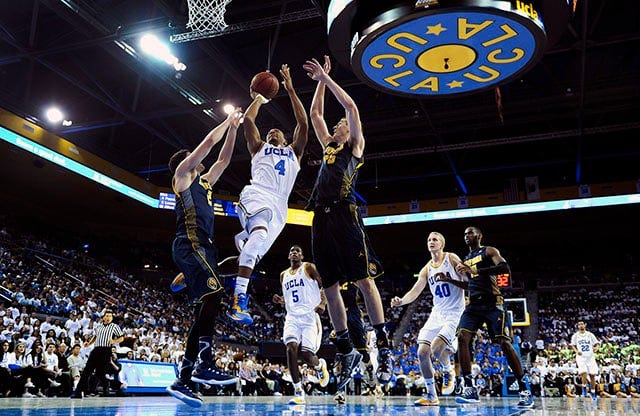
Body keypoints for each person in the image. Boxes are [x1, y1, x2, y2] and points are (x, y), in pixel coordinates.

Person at [302, 55, 392, 391]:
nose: (339, 123)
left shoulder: (354, 147)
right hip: (319, 217)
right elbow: (315, 115)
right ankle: (344, 348)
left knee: (364, 281)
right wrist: (318, 87)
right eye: (337, 122)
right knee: (329, 287)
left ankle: (384, 344)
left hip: (345, 213)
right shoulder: (328, 145)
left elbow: (352, 106)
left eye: (340, 123)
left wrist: (326, 78)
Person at [165, 109, 242, 407]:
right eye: (194, 156)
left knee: (204, 310)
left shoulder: (206, 184)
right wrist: (227, 119)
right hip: (190, 243)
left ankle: (183, 379)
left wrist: (234, 128)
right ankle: (205, 362)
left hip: (205, 248)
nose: (201, 159)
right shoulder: (182, 176)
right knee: (215, 293)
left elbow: (223, 158)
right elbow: (210, 142)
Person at [229, 64, 309, 325]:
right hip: (257, 195)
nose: (272, 131)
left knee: (253, 253)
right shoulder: (258, 148)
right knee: (258, 237)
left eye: (277, 131)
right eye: (269, 131)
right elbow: (249, 121)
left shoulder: (294, 152)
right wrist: (260, 99)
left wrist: (291, 89)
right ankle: (239, 299)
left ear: (286, 139)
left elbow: (303, 122)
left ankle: (203, 270)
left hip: (280, 209)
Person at [448, 226, 533, 408]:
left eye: (470, 233)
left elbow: (504, 267)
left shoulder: (489, 251)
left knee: (504, 343)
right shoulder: (466, 259)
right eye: (464, 234)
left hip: (493, 303)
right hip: (474, 305)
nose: (466, 236)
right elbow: (470, 284)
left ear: (479, 235)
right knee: (462, 338)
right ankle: (470, 387)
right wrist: (449, 280)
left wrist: (475, 270)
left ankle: (525, 389)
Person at [391, 231, 466, 406]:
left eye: (435, 239)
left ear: (442, 243)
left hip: (454, 312)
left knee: (436, 349)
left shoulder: (451, 258)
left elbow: (468, 281)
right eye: (429, 240)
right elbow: (416, 290)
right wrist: (401, 301)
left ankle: (448, 370)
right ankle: (432, 396)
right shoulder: (427, 268)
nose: (431, 242)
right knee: (422, 353)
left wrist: (452, 278)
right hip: (437, 313)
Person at [272, 245, 329, 405]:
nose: (294, 253)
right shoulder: (283, 275)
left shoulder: (309, 267)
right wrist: (281, 300)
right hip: (292, 317)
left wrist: (323, 303)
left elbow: (324, 285)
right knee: (290, 348)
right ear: (288, 256)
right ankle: (298, 391)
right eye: (291, 251)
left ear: (302, 255)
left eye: (297, 251)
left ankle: (319, 366)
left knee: (307, 355)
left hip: (310, 316)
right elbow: (292, 298)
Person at [70, 309, 124, 398]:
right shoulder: (98, 326)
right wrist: (89, 343)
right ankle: (78, 392)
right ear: (103, 317)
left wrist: (114, 341)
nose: (108, 318)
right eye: (106, 316)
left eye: (110, 316)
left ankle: (107, 390)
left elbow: (121, 338)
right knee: (86, 371)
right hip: (96, 349)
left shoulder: (114, 327)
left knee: (101, 373)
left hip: (106, 350)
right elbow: (95, 336)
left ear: (112, 318)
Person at [570, 320, 599, 400]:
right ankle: (584, 388)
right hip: (581, 356)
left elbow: (597, 344)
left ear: (585, 325)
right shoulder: (575, 336)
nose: (581, 325)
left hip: (590, 356)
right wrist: (576, 351)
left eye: (582, 324)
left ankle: (593, 392)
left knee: (592, 375)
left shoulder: (590, 335)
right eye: (579, 324)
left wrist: (596, 348)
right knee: (584, 372)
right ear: (577, 326)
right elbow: (573, 345)